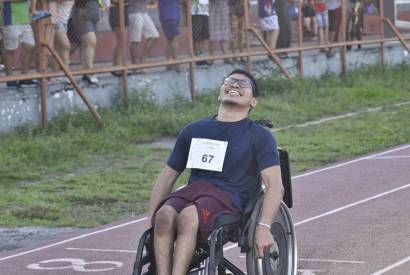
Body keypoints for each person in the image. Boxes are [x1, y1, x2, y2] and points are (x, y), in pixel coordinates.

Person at [147, 69, 284, 275]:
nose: (235, 85)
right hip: (193, 192)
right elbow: (168, 176)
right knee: (164, 215)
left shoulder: (259, 136)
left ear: (253, 102)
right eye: (230, 81)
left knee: (187, 217)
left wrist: (264, 226)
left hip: (230, 197)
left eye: (243, 84)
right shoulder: (194, 130)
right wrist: (152, 219)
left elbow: (275, 186)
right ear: (220, 93)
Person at [1, 0, 37, 88]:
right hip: (9, 20)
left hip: (25, 19)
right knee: (10, 50)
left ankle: (24, 78)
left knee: (30, 47)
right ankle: (9, 79)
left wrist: (32, 9)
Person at [67, 0, 101, 84]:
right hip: (81, 11)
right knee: (90, 41)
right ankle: (89, 71)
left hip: (94, 11)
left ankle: (57, 63)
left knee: (76, 43)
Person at [128, 0, 159, 68]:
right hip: (134, 12)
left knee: (154, 35)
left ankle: (141, 62)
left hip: (143, 11)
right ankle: (134, 66)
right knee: (135, 40)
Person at [158, 0, 180, 71]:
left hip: (173, 15)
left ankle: (168, 63)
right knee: (175, 37)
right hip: (169, 15)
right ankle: (175, 63)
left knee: (169, 39)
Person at [209, 0, 232, 64]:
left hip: (223, 10)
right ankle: (211, 59)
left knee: (224, 37)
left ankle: (226, 58)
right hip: (213, 10)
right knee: (212, 37)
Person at [109, 0, 130, 70]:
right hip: (116, 10)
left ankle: (118, 64)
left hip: (125, 9)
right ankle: (117, 65)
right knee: (121, 39)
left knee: (122, 40)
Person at [191, 0, 211, 67]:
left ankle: (203, 57)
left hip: (206, 11)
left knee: (204, 36)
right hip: (195, 12)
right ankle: (197, 59)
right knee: (197, 36)